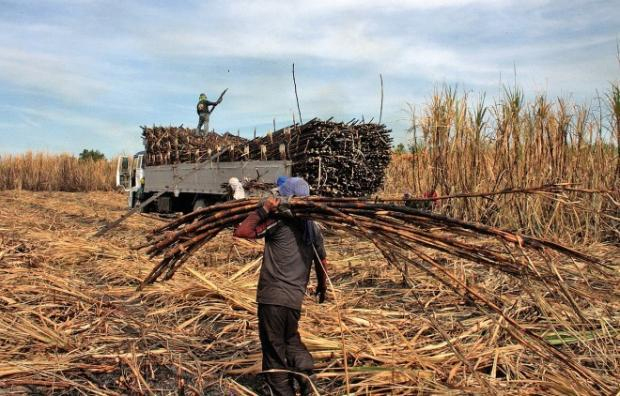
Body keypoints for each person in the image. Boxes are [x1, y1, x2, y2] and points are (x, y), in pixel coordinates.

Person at [233, 177, 328, 396]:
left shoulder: (278, 222)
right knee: (291, 340)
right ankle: (307, 380)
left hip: (272, 298)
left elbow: (242, 232)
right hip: (294, 300)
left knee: (274, 350)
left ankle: (282, 391)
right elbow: (322, 262)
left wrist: (264, 209)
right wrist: (323, 288)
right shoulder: (314, 229)